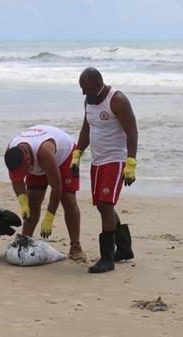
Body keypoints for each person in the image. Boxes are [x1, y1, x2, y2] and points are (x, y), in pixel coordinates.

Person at [71, 67, 138, 273]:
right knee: (102, 206)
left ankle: (107, 258)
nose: (83, 93)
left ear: (98, 85)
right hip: (97, 162)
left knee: (105, 205)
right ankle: (124, 248)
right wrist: (77, 155)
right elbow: (86, 129)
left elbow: (132, 131)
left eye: (86, 88)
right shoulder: (88, 102)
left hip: (115, 160)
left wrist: (131, 163)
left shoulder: (117, 100)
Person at [4, 125, 86, 261]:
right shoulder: (11, 152)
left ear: (28, 159)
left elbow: (57, 187)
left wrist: (49, 217)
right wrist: (23, 203)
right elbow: (17, 181)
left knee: (68, 199)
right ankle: (25, 240)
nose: (24, 174)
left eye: (24, 171)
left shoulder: (44, 152)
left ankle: (75, 246)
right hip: (38, 160)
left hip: (64, 156)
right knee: (33, 200)